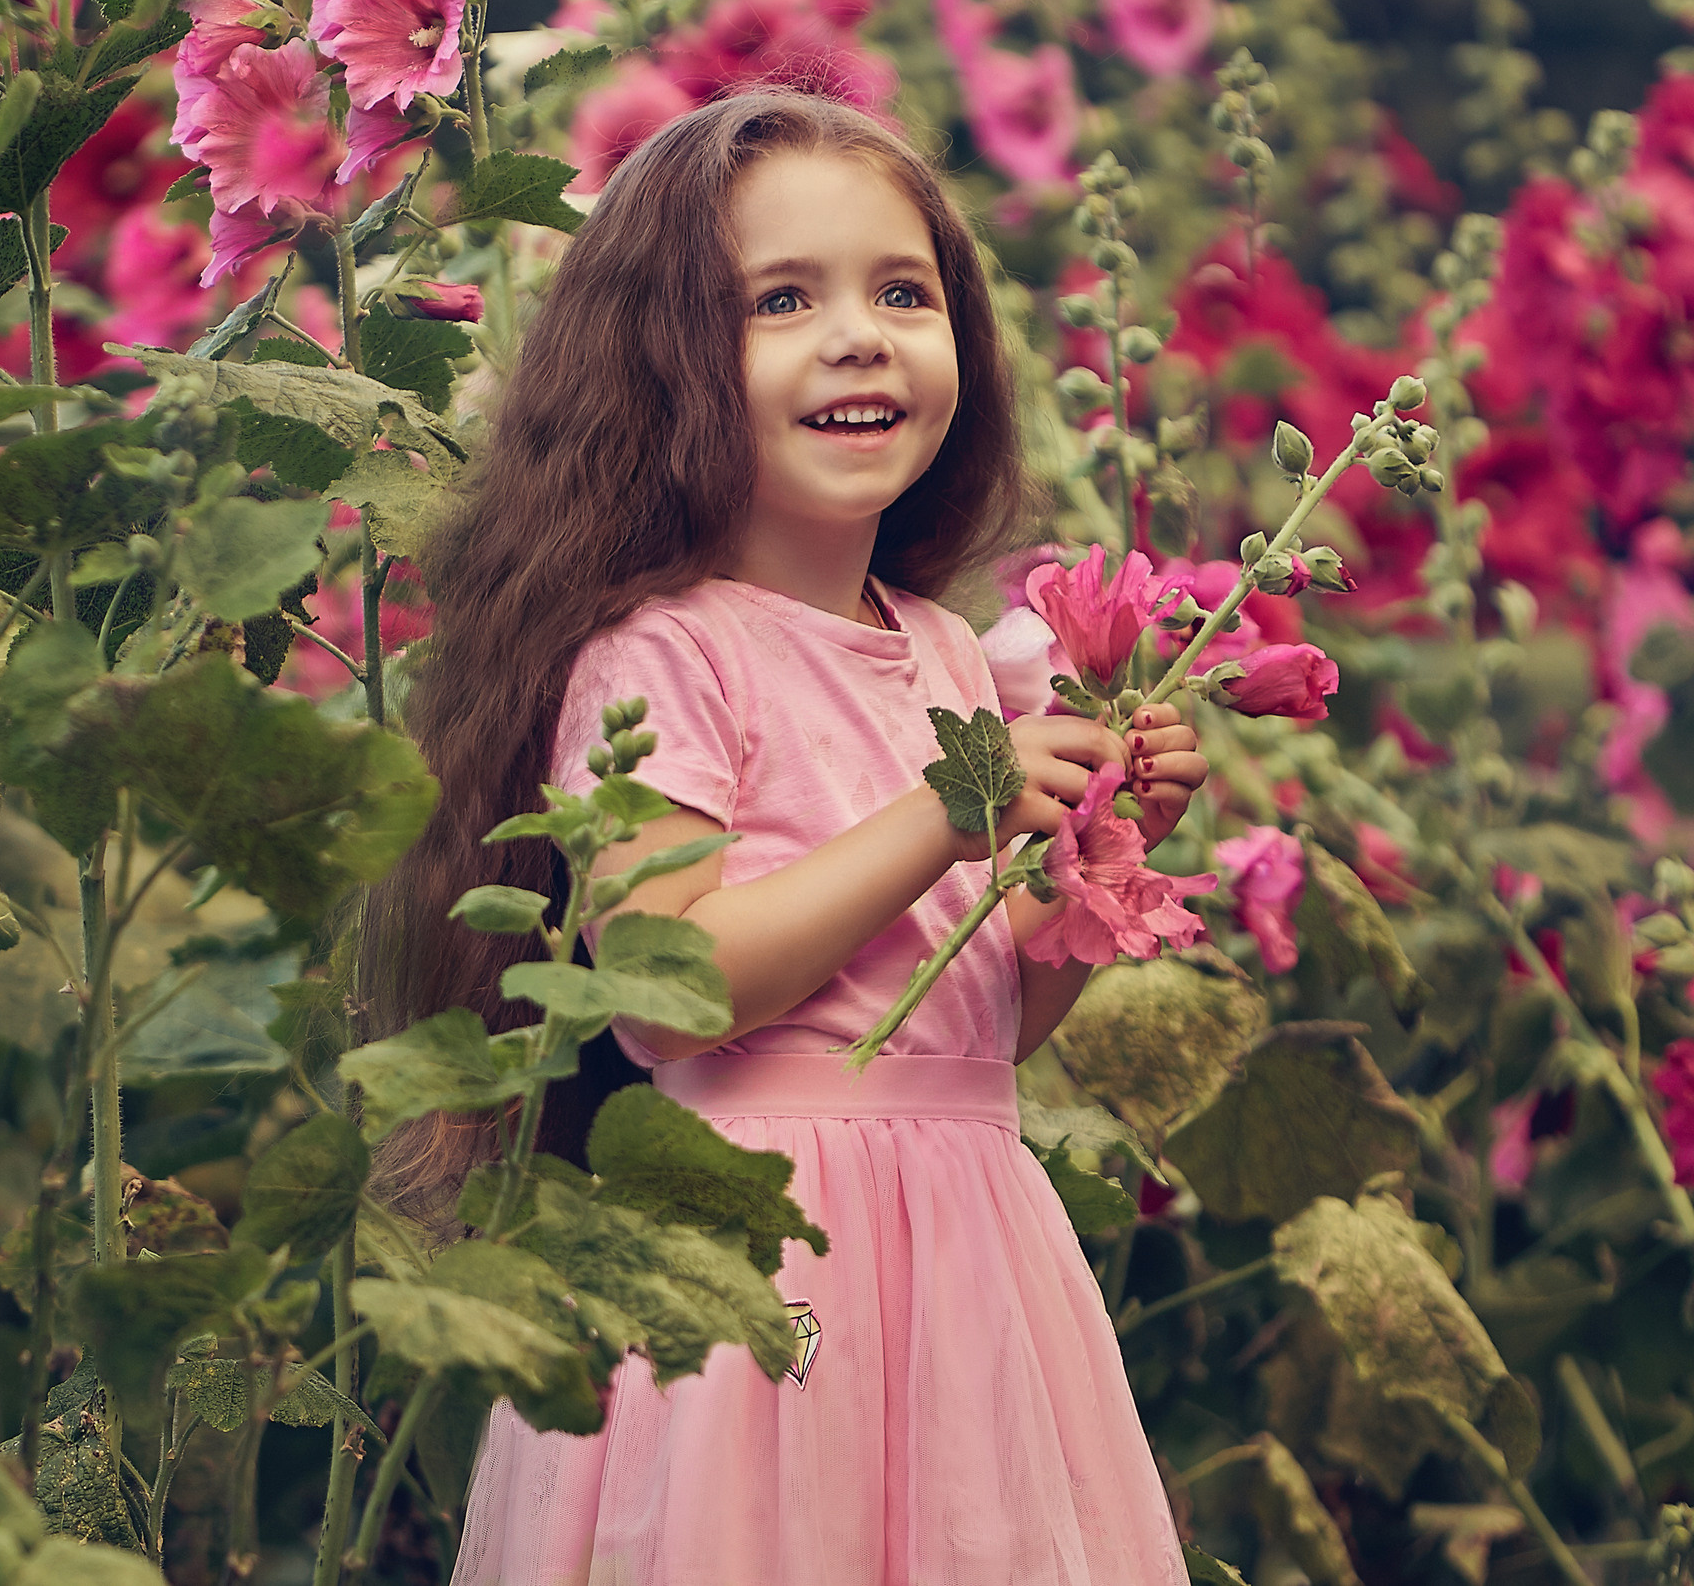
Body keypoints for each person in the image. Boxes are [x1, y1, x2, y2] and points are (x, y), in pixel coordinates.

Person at [360, 88, 1205, 1585]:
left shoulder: (952, 656)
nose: (862, 334)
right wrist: (951, 810)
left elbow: (980, 1023)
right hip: (749, 1254)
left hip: (965, 1251)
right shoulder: (666, 657)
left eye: (902, 292)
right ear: (666, 367)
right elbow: (672, 980)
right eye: (782, 302)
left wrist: (1085, 862)